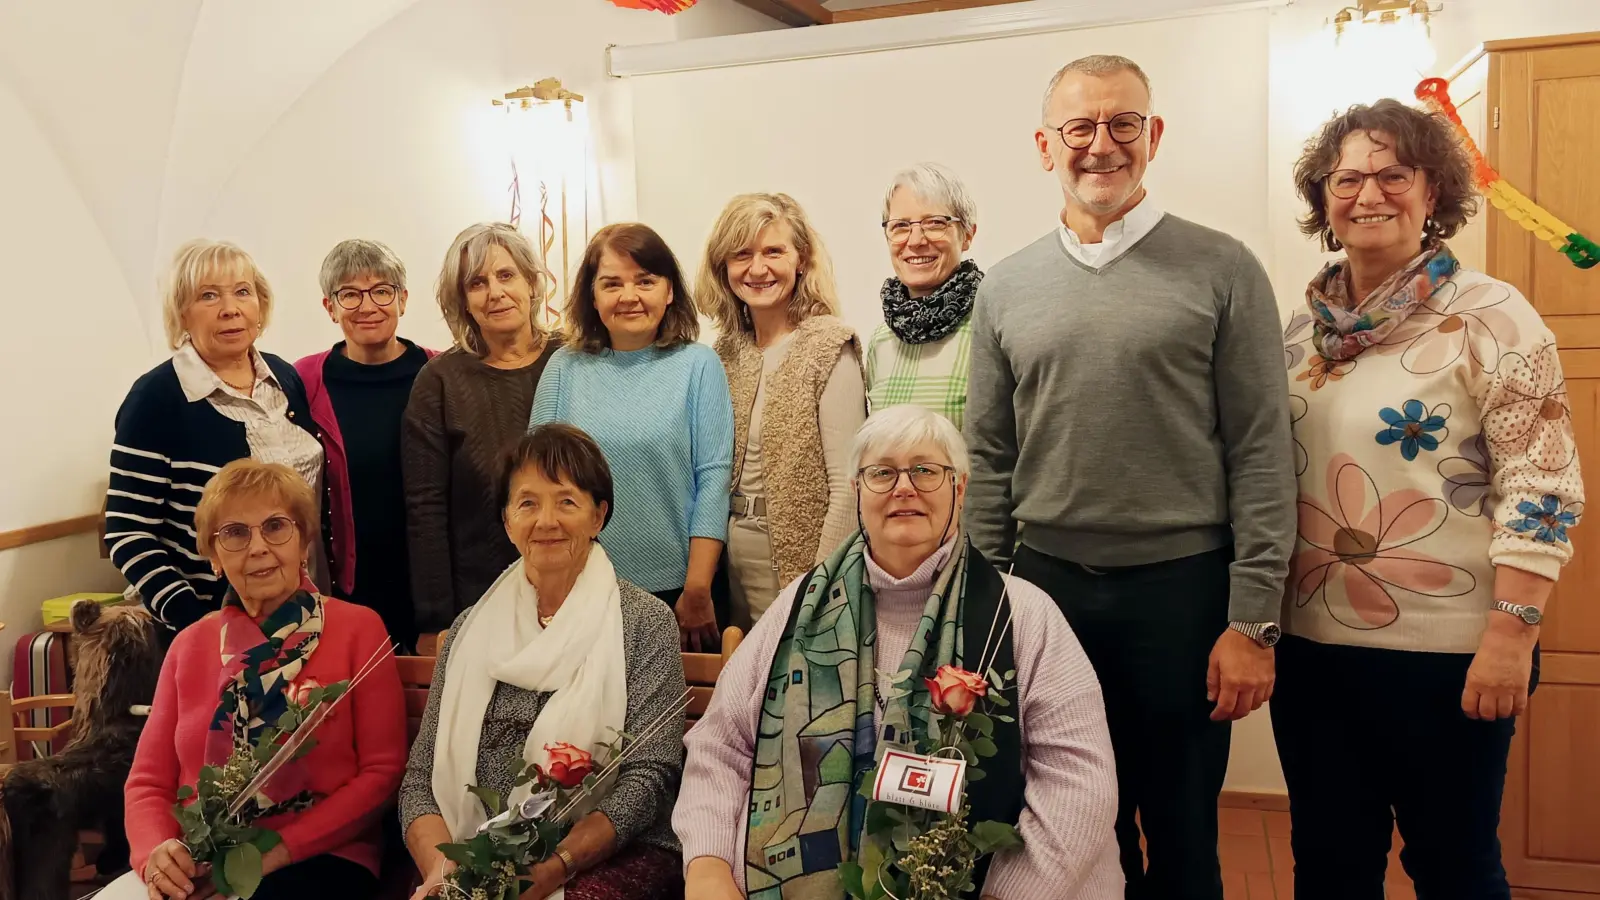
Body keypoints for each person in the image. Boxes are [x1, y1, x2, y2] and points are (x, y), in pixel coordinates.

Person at [962, 54, 1296, 899]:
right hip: (1046, 595)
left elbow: (1261, 448)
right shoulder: (1005, 287)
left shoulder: (1223, 269)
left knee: (1183, 829)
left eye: (1122, 124)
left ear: (1153, 136)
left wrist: (1253, 619)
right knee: (1073, 828)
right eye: (1080, 127)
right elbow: (990, 458)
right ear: (1046, 146)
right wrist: (984, 606)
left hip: (1182, 595)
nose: (1101, 145)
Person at [1277, 99, 1584, 900]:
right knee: (1331, 868)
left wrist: (1513, 634)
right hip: (1314, 652)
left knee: (1453, 869)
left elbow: (1543, 482)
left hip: (1452, 654)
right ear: (1322, 199)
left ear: (1433, 191)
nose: (1368, 194)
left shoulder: (1494, 316)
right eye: (1346, 178)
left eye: (1392, 175)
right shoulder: (1296, 336)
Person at [674, 404, 1122, 899]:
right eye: (882, 473)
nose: (904, 487)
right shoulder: (797, 609)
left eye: (926, 470)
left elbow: (1079, 782)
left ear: (961, 487)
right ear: (857, 493)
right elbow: (721, 747)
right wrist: (708, 866)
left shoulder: (1024, 615)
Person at [402, 424, 688, 899]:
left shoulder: (644, 622)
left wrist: (556, 867)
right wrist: (442, 869)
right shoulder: (468, 629)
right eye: (528, 503)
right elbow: (420, 776)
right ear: (507, 520)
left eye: (567, 502)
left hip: (610, 852)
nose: (546, 520)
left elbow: (650, 777)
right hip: (471, 851)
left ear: (599, 517)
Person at [108, 459, 406, 900]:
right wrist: (157, 856)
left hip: (319, 859)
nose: (258, 547)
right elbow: (149, 782)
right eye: (234, 533)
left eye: (275, 527)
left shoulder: (359, 629)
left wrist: (273, 856)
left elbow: (382, 774)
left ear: (303, 541)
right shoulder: (189, 645)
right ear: (212, 556)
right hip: (199, 860)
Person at [105, 239, 330, 642]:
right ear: (182, 314)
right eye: (208, 295)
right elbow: (128, 532)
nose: (230, 308)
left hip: (304, 609)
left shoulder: (284, 378)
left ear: (260, 305)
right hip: (215, 624)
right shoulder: (157, 398)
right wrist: (195, 619)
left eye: (242, 292)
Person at [529, 223, 734, 651]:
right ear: (592, 295)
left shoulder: (699, 365)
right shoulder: (564, 368)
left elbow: (713, 480)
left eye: (645, 281)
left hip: (677, 594)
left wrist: (697, 588)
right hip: (577, 589)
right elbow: (534, 486)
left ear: (670, 290)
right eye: (612, 284)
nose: (629, 296)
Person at [698, 192, 867, 630]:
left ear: (801, 259)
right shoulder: (724, 354)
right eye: (742, 255)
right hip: (734, 563)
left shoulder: (829, 345)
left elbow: (848, 487)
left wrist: (821, 585)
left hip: (804, 564)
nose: (758, 269)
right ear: (724, 269)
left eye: (774, 251)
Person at [403, 222, 562, 638]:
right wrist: (436, 619)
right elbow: (425, 508)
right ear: (463, 302)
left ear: (531, 283)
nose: (495, 292)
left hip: (576, 592)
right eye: (477, 283)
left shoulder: (572, 360)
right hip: (479, 603)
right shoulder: (439, 381)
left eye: (506, 275)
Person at [295, 239, 437, 652]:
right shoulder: (304, 380)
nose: (368, 305)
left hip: (430, 581)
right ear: (330, 307)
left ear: (403, 299)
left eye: (382, 290)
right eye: (350, 294)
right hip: (345, 582)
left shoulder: (440, 371)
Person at [865, 163, 984, 429]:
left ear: (967, 235)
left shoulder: (991, 328)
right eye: (901, 226)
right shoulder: (880, 341)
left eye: (934, 223)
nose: (916, 240)